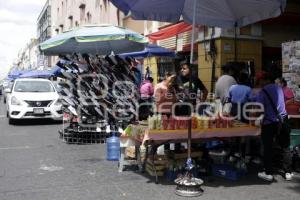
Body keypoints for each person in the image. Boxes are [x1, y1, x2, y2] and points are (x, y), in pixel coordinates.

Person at [255, 73, 293, 181]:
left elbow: (259, 109)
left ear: (263, 80)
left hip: (269, 123)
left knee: (267, 147)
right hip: (283, 120)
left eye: (259, 81)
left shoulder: (262, 92)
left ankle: (268, 173)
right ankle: (288, 172)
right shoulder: (279, 88)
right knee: (285, 146)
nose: (259, 83)